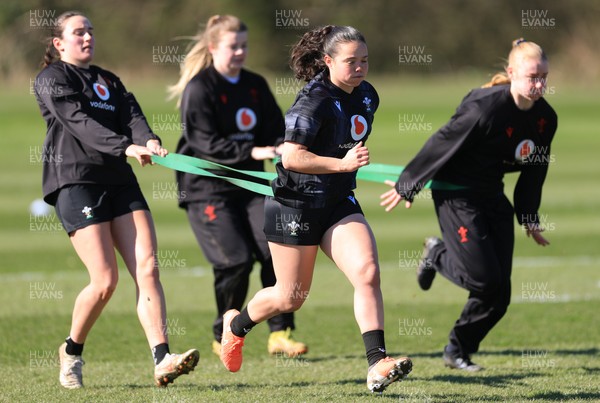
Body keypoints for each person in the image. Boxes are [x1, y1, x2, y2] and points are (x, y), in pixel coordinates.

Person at [218, 25, 413, 394]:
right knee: (291, 297)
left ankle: (377, 364)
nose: (360, 68)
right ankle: (236, 326)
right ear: (327, 61)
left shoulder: (367, 96)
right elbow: (291, 157)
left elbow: (347, 147)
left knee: (368, 272)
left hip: (337, 201)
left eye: (365, 60)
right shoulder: (313, 100)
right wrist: (343, 164)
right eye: (351, 61)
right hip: (295, 204)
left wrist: (364, 170)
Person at [34, 11, 199, 389]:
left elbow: (133, 115)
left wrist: (149, 139)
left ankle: (162, 359)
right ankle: (71, 351)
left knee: (148, 268)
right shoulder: (51, 78)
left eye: (90, 31)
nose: (87, 37)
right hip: (76, 182)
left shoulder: (109, 80)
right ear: (59, 43)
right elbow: (78, 122)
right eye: (79, 32)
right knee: (105, 280)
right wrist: (125, 146)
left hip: (121, 183)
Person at [380, 39, 557, 371]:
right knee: (485, 281)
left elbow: (536, 168)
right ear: (512, 73)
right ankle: (437, 254)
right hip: (457, 195)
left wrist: (529, 215)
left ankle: (457, 349)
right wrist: (409, 183)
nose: (539, 84)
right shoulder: (484, 107)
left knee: (499, 294)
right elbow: (442, 141)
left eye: (544, 77)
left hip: (492, 194)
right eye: (533, 76)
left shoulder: (546, 118)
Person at [168, 15, 307, 358]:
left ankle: (280, 334)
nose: (241, 52)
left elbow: (276, 128)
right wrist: (251, 150)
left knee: (276, 251)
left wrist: (281, 146)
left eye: (244, 45)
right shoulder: (200, 88)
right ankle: (223, 334)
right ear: (214, 47)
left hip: (250, 184)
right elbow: (203, 144)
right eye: (234, 46)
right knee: (235, 261)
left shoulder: (255, 84)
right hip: (206, 188)